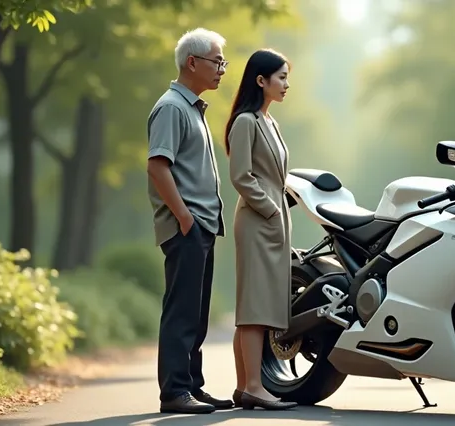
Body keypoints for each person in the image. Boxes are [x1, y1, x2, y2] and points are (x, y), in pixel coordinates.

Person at [146, 27, 234, 414]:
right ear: (192, 63)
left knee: (196, 314)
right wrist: (184, 218)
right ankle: (174, 392)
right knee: (182, 311)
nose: (222, 70)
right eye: (217, 62)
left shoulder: (192, 107)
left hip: (200, 224)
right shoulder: (171, 107)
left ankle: (192, 386)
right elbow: (157, 166)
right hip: (188, 225)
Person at [224, 48, 298, 411]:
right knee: (254, 307)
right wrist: (270, 209)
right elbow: (241, 176)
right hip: (256, 220)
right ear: (261, 80)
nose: (286, 84)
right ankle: (254, 385)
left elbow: (274, 175)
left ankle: (244, 387)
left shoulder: (271, 123)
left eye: (287, 77)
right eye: (281, 77)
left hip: (272, 219)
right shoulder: (246, 122)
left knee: (260, 303)